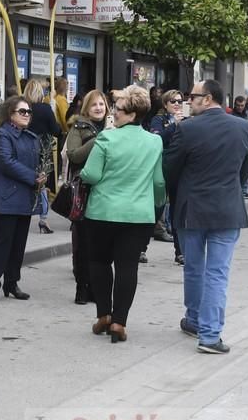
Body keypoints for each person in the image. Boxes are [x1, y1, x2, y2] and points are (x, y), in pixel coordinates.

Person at [164, 79, 248, 354]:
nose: (188, 101)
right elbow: (245, 170)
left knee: (194, 267)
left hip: (192, 208)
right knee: (217, 272)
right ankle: (210, 334)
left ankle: (195, 321)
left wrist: (178, 194)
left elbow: (170, 168)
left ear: (208, 98)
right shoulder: (243, 127)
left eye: (193, 96)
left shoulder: (187, 128)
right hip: (227, 208)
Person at [82, 86, 165, 344]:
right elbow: (159, 182)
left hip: (103, 212)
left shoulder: (107, 138)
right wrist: (157, 203)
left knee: (99, 263)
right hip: (138, 215)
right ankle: (120, 322)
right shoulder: (154, 141)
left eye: (117, 109)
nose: (113, 113)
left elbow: (91, 175)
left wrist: (83, 176)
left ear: (131, 114)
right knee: (128, 268)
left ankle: (104, 315)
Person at [0, 96, 46, 304]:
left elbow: (36, 162)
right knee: (3, 242)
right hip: (8, 196)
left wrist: (41, 176)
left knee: (19, 244)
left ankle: (12, 282)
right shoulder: (2, 135)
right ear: (11, 114)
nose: (27, 115)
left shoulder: (31, 137)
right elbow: (5, 162)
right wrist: (33, 177)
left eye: (29, 111)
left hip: (26, 196)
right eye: (22, 111)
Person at [65, 89, 108, 305]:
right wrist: (98, 140)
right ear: (86, 109)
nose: (99, 108)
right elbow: (73, 156)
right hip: (83, 192)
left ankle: (94, 287)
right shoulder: (79, 127)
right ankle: (81, 287)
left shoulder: (115, 127)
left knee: (100, 245)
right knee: (82, 243)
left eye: (101, 104)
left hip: (106, 193)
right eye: (94, 105)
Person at [149, 90, 186, 264]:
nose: (177, 104)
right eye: (173, 101)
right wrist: (173, 125)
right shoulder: (159, 120)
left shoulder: (188, 121)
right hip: (162, 168)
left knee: (178, 211)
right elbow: (156, 140)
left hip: (179, 169)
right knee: (157, 208)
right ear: (165, 104)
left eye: (180, 101)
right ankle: (141, 247)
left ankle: (180, 252)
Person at [25, 79, 61, 234]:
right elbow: (56, 130)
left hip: (24, 147)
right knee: (42, 183)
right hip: (42, 149)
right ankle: (43, 219)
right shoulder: (45, 109)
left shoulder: (23, 108)